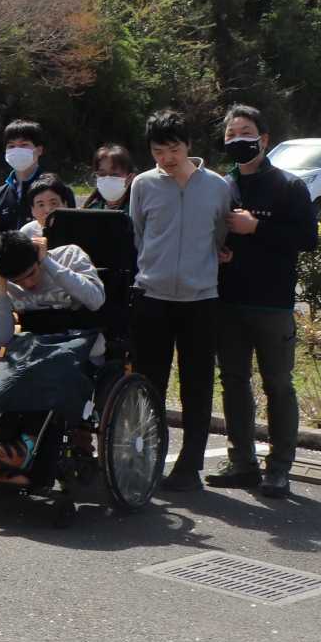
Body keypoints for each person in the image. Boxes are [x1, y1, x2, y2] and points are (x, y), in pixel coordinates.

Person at [208, 104, 317, 498]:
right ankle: (242, 463)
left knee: (278, 385)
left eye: (246, 131)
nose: (239, 139)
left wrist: (258, 227)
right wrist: (221, 251)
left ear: (264, 138)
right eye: (231, 133)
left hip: (272, 303)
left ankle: (279, 468)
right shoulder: (222, 184)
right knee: (234, 382)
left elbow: (307, 239)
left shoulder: (289, 186)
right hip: (228, 301)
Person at [129, 108, 234, 492]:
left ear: (188, 145)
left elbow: (220, 236)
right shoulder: (143, 184)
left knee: (197, 383)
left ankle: (189, 467)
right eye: (158, 151)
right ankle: (146, 460)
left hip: (200, 299)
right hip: (151, 296)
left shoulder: (218, 186)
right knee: (149, 381)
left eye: (172, 149)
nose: (166, 159)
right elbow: (139, 235)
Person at [0, 229, 108, 486]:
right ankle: (1, 453)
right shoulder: (4, 281)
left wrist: (48, 264)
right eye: (18, 280)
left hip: (80, 345)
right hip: (33, 349)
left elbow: (96, 300)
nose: (28, 284)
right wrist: (1, 287)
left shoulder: (68, 256)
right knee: (2, 377)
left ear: (38, 256)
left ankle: (25, 447)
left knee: (45, 369)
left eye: (31, 274)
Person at [0, 118, 48, 234]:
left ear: (39, 150)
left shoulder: (56, 190)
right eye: (11, 146)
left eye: (24, 145)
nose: (17, 150)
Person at [85, 144, 135, 212]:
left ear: (130, 178)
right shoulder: (89, 211)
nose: (107, 179)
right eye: (102, 174)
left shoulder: (137, 211)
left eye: (114, 175)